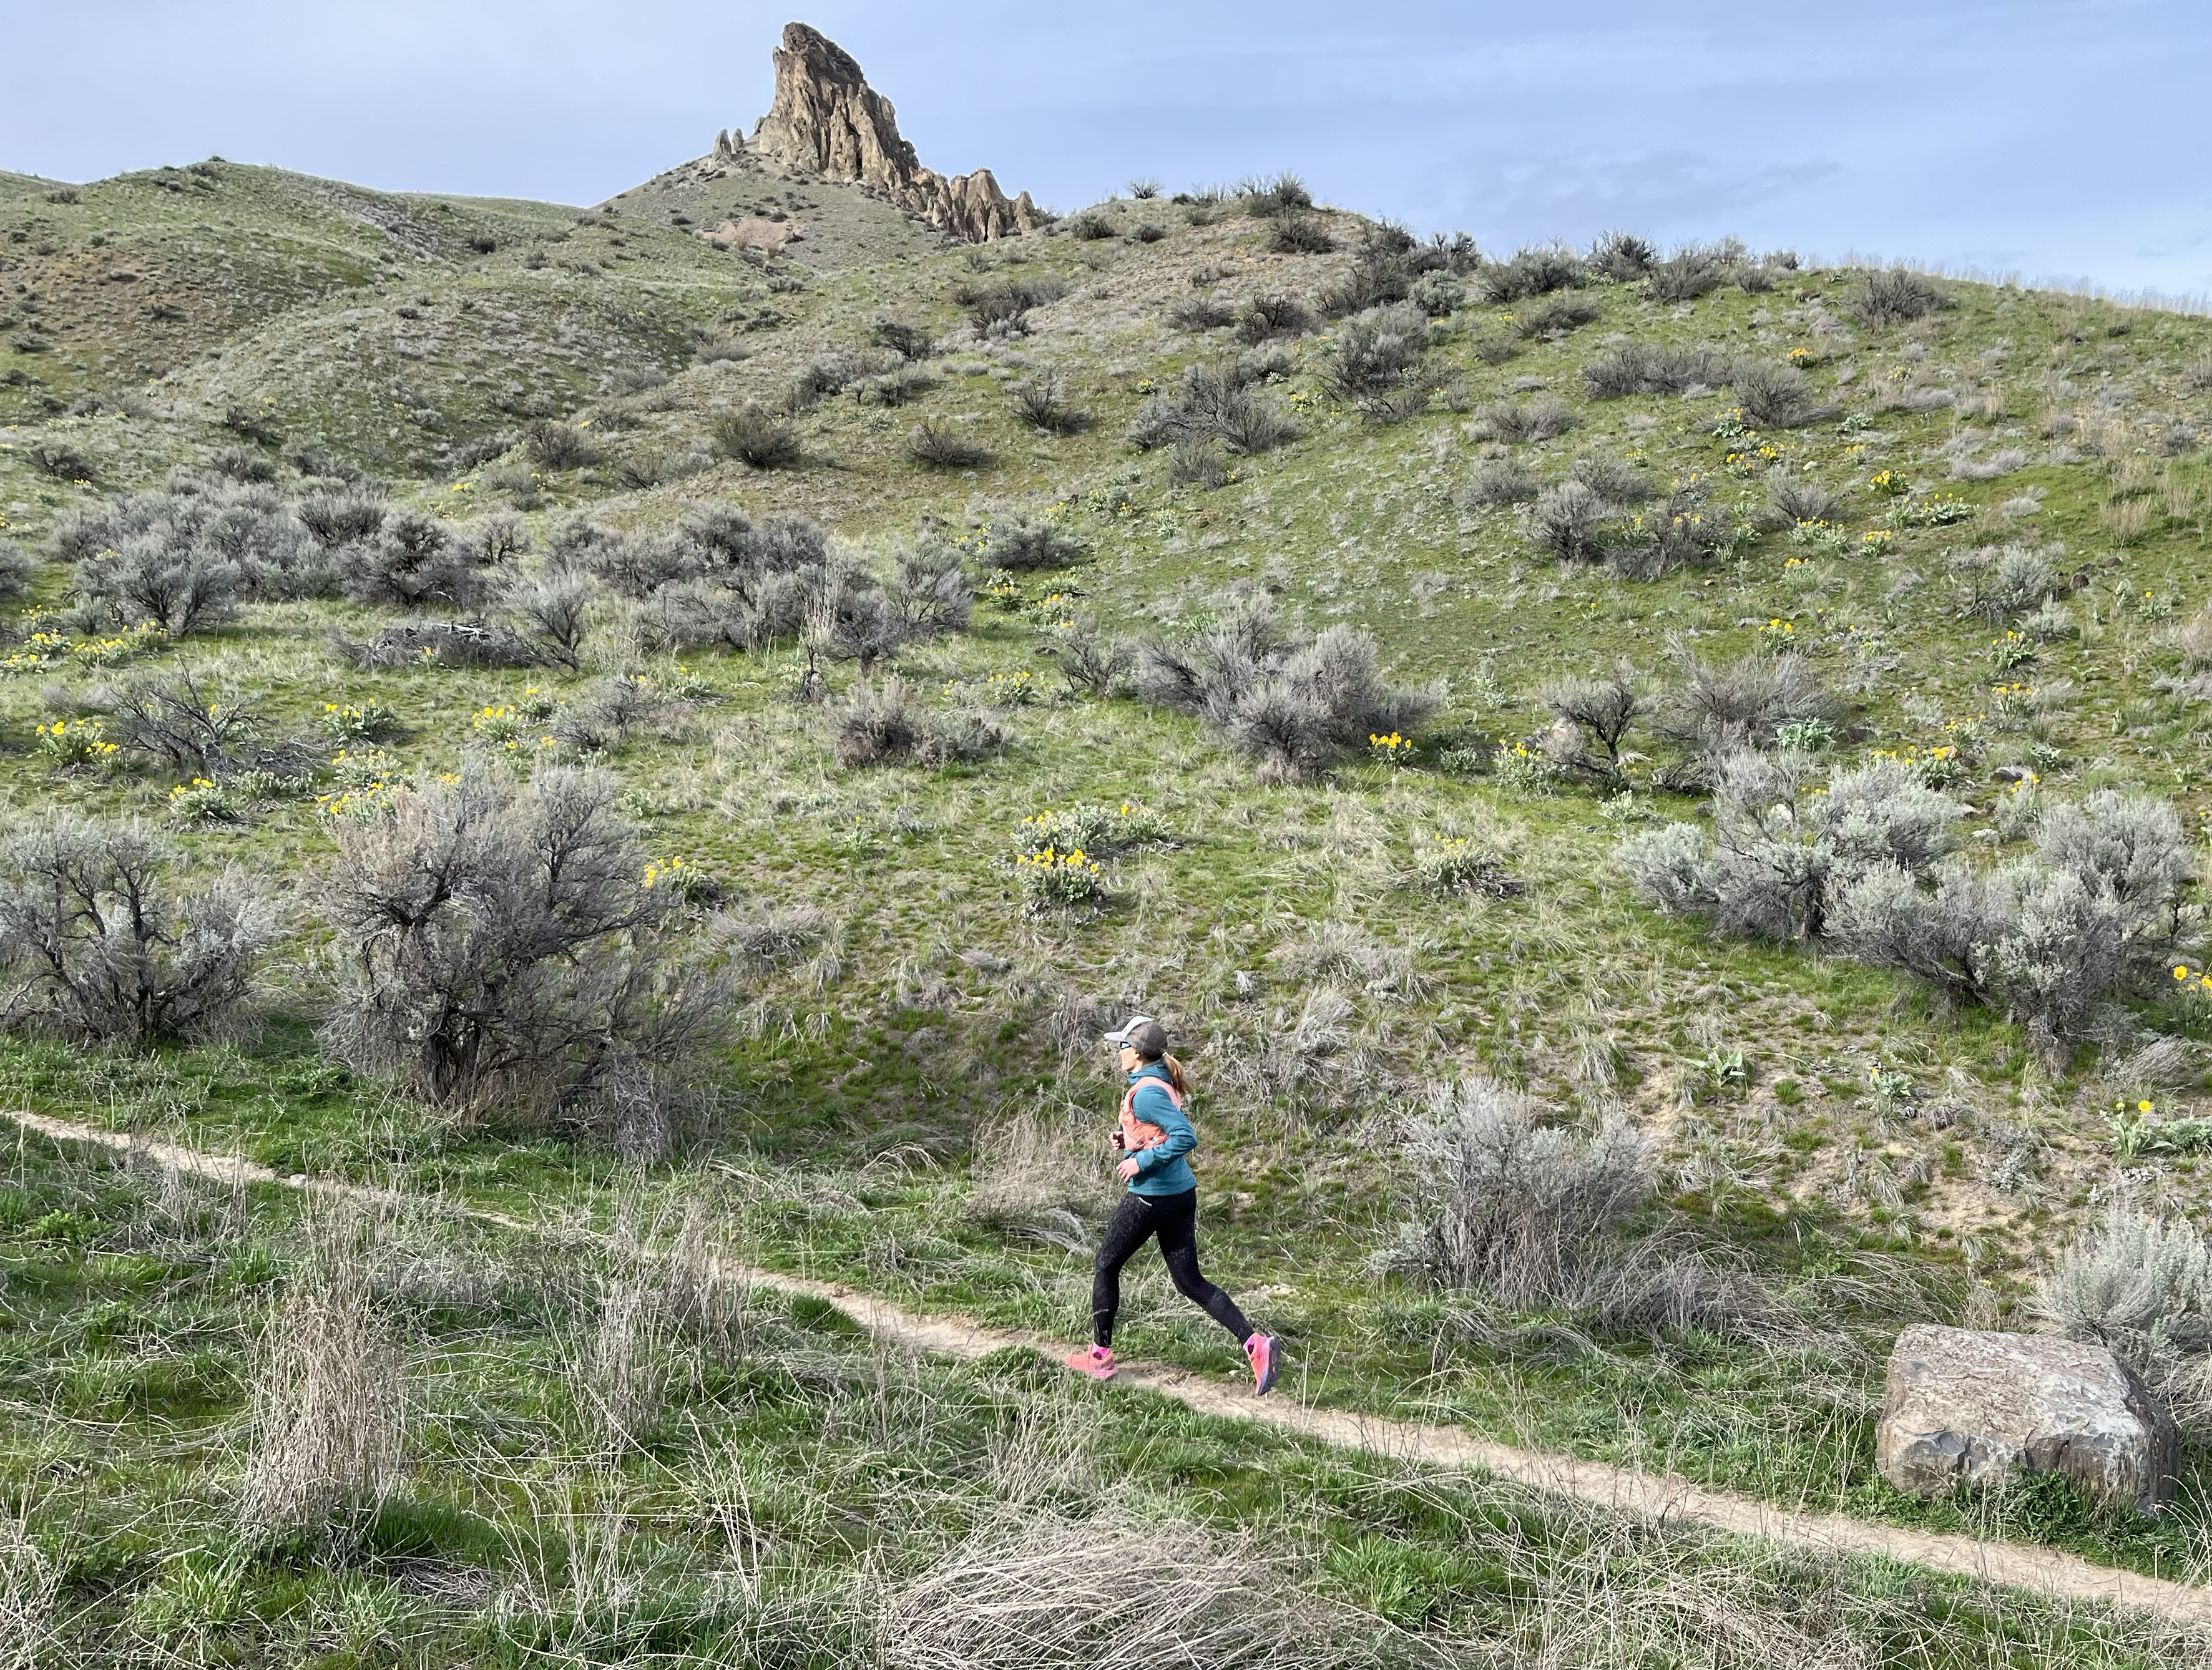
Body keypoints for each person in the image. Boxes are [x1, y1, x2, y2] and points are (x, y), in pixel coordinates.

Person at [1064, 1016, 1280, 1395]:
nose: (1117, 1053)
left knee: (1106, 1264)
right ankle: (1255, 1344)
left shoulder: (1146, 1093)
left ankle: (1099, 1358)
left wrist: (1140, 1162)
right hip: (1180, 1194)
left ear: (1136, 1052)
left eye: (1121, 1046)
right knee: (1189, 1281)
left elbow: (1184, 1137)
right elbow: (1161, 1133)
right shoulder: (1159, 1082)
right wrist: (1130, 1140)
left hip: (1152, 1195)